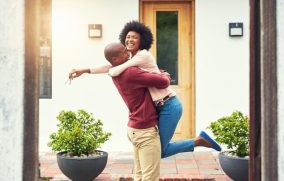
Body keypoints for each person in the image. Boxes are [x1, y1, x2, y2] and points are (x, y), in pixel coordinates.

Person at [69, 21, 221, 159]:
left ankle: (199, 141)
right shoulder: (129, 58)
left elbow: (115, 69)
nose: (130, 40)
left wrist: (112, 72)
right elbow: (111, 66)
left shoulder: (142, 55)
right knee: (158, 150)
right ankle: (199, 140)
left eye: (134, 37)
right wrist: (85, 70)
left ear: (142, 40)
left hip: (169, 105)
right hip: (159, 106)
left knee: (159, 151)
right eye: (128, 37)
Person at [103, 42, 169, 180]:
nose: (128, 52)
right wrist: (165, 75)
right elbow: (163, 82)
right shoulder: (130, 72)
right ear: (115, 59)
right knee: (150, 177)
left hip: (134, 128)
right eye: (123, 52)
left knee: (139, 175)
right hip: (145, 131)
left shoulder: (116, 72)